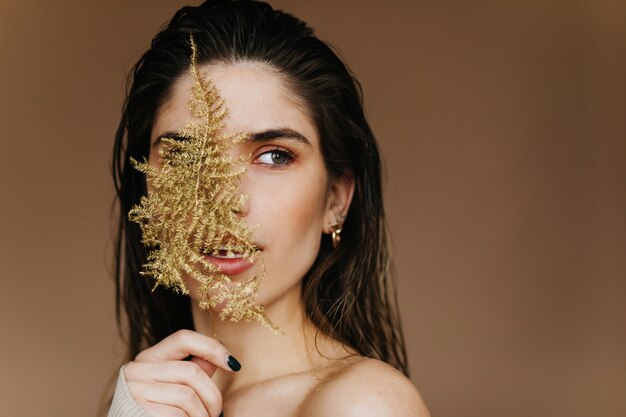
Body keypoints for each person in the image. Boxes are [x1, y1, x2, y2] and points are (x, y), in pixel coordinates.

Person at [109, 1, 430, 416]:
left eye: (274, 156)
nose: (223, 200)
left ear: (336, 200)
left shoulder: (364, 404)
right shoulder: (147, 397)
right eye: (186, 158)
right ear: (147, 194)